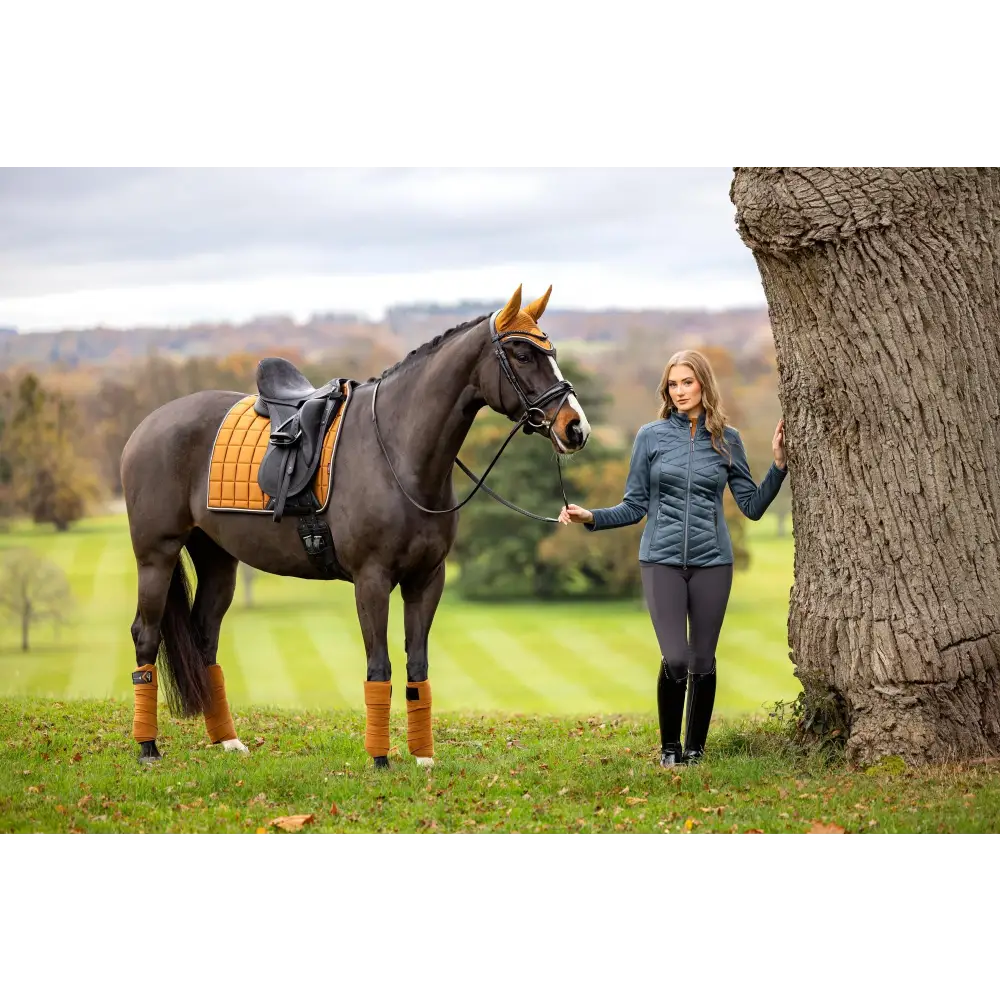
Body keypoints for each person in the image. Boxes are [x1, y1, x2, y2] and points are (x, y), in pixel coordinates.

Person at [558, 349, 787, 768]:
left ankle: (695, 751)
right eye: (673, 384)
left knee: (703, 659)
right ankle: (669, 749)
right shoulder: (651, 436)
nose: (679, 391)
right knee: (677, 658)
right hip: (660, 560)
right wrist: (592, 516)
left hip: (713, 562)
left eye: (687, 382)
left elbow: (752, 506)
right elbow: (633, 506)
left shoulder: (727, 439)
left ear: (703, 384)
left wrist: (778, 465)